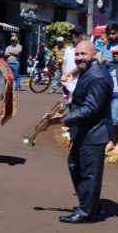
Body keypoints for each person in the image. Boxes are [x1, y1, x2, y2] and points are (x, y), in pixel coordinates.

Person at [48, 41, 114, 223]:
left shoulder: (98, 76)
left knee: (89, 173)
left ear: (94, 54)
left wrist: (63, 119)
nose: (79, 58)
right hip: (85, 131)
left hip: (94, 132)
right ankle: (92, 204)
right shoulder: (88, 72)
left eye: (83, 54)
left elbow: (91, 108)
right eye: (77, 54)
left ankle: (86, 212)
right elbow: (82, 99)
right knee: (75, 165)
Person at [62, 26, 86, 104]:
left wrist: (69, 74)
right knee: (68, 104)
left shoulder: (85, 48)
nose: (73, 35)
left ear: (83, 35)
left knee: (77, 105)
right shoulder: (68, 49)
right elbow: (64, 63)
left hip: (78, 82)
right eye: (72, 33)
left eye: (76, 34)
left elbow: (82, 65)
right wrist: (64, 75)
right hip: (67, 82)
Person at [104, 46, 118, 156]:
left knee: (114, 119)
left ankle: (115, 142)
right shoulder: (110, 65)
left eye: (117, 54)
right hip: (110, 94)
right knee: (109, 119)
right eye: (114, 54)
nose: (115, 55)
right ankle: (112, 141)